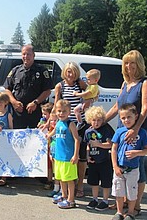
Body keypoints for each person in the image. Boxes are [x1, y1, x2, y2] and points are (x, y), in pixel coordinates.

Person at [105, 50, 147, 216]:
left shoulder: (145, 82)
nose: (129, 66)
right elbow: (117, 107)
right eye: (126, 62)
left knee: (137, 168)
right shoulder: (125, 84)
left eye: (132, 62)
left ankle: (136, 205)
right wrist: (101, 120)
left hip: (138, 130)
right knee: (122, 165)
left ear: (139, 64)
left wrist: (136, 129)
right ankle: (124, 202)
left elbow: (145, 107)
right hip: (122, 130)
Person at [52, 61, 89, 197]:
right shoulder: (60, 86)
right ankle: (66, 190)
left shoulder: (81, 84)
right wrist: (52, 120)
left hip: (80, 124)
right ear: (64, 72)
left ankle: (79, 186)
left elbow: (91, 94)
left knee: (81, 156)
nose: (70, 74)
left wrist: (85, 105)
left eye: (73, 71)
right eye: (68, 71)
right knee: (66, 155)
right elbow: (56, 104)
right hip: (65, 124)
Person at [111, 104, 147, 220]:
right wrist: (115, 166)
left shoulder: (142, 132)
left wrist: (137, 153)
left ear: (136, 116)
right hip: (119, 168)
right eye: (123, 118)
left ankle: (131, 212)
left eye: (129, 117)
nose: (126, 120)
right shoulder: (119, 132)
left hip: (132, 169)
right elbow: (113, 149)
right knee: (118, 191)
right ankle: (119, 212)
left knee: (132, 191)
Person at [4, 44, 53, 128]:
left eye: (28, 54)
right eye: (24, 54)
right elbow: (7, 89)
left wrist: (35, 102)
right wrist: (14, 102)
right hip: (18, 111)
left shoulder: (41, 71)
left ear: (33, 55)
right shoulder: (15, 70)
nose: (26, 56)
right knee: (18, 137)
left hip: (36, 110)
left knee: (36, 137)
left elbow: (47, 90)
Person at [48, 99, 80, 209]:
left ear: (69, 112)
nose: (61, 113)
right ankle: (64, 195)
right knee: (61, 177)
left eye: (64, 111)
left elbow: (76, 139)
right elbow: (54, 131)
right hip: (59, 156)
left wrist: (75, 155)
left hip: (68, 157)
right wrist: (47, 135)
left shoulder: (70, 124)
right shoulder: (58, 123)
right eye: (59, 111)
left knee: (69, 179)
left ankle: (71, 200)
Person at [84, 106, 114, 211]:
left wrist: (99, 144)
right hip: (93, 161)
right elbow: (88, 144)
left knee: (105, 181)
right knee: (94, 181)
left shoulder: (105, 129)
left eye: (99, 120)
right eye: (94, 120)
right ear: (89, 120)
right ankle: (95, 199)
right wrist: (87, 156)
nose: (96, 123)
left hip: (104, 160)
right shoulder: (88, 131)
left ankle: (105, 200)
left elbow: (110, 145)